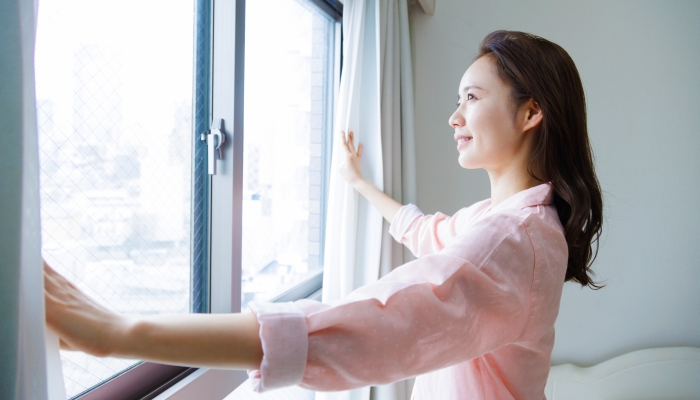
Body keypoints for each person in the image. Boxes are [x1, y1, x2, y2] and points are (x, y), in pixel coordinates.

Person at [44, 30, 603, 399]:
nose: (453, 117)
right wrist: (357, 183)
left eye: (472, 99)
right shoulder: (505, 222)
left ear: (531, 111)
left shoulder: (512, 240)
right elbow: (427, 232)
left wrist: (117, 332)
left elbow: (382, 323)